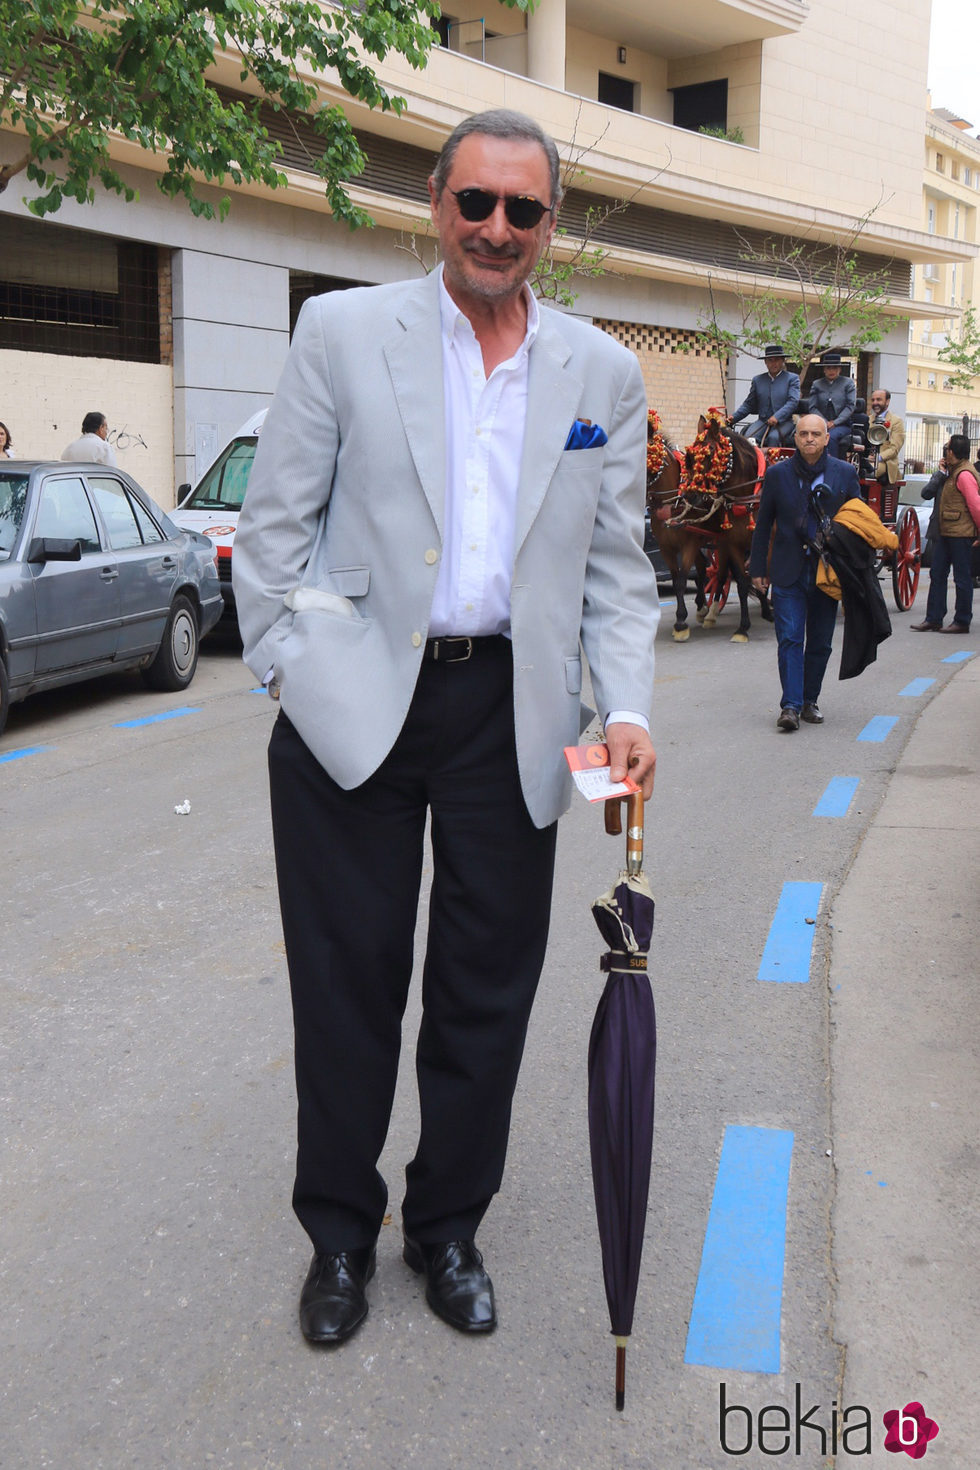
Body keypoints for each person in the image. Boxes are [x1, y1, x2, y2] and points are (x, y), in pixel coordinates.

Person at [232, 108, 659, 1348]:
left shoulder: (602, 373)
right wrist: (290, 670)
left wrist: (621, 705)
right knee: (345, 985)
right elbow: (272, 535)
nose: (495, 229)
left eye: (521, 210)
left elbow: (616, 572)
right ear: (435, 203)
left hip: (510, 712)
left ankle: (446, 1229)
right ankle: (338, 1237)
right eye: (474, 202)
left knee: (486, 991)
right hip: (352, 700)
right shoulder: (343, 331)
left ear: (548, 225)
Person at [749, 414, 860, 730]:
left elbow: (857, 520)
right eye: (803, 434)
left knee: (821, 642)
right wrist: (758, 567)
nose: (809, 439)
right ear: (794, 439)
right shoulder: (777, 475)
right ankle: (791, 706)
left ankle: (810, 700)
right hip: (788, 571)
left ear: (827, 438)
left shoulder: (845, 473)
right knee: (789, 638)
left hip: (829, 572)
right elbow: (764, 525)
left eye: (816, 434)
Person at [910, 432, 980, 633]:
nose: (945, 450)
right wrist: (941, 472)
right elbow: (928, 492)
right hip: (945, 532)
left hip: (961, 534)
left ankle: (962, 620)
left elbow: (976, 506)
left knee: (962, 578)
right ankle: (934, 617)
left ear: (952, 452)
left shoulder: (964, 474)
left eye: (947, 448)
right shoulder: (950, 471)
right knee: (937, 574)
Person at [729, 346, 801, 447]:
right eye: (770, 360)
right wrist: (732, 418)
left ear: (783, 361)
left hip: (784, 421)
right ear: (765, 362)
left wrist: (777, 417)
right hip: (763, 421)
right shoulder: (758, 380)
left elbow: (793, 401)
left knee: (773, 438)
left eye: (777, 360)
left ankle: (773, 463)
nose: (773, 363)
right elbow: (748, 404)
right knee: (748, 438)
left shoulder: (792, 379)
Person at [807, 352, 856, 459]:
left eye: (835, 368)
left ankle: (832, 464)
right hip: (820, 424)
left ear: (840, 369)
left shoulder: (848, 383)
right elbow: (813, 407)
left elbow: (850, 406)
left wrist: (835, 422)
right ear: (824, 370)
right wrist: (824, 422)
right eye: (828, 368)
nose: (831, 371)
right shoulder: (817, 384)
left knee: (831, 436)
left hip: (842, 425)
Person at [868, 388, 905, 485]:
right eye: (873, 400)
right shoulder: (868, 420)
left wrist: (878, 457)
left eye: (879, 399)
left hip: (885, 463)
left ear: (887, 402)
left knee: (869, 472)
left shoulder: (896, 421)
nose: (875, 403)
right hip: (867, 460)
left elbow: (894, 449)